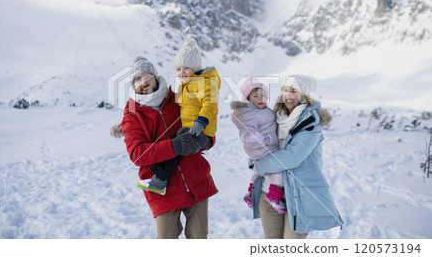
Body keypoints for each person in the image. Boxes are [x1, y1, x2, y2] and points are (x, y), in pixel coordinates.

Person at [119, 56, 218, 239]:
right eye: (137, 79)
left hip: (195, 180)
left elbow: (205, 124)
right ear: (133, 85)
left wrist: (206, 141)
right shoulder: (132, 114)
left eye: (147, 76)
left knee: (199, 237)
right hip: (161, 187)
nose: (143, 82)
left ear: (155, 77)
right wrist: (175, 145)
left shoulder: (178, 98)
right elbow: (138, 154)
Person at [252, 74, 343, 239]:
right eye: (285, 90)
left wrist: (260, 165)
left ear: (304, 96)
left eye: (293, 91)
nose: (288, 95)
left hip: (299, 196)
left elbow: (292, 157)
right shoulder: (274, 118)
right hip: (269, 193)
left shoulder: (310, 124)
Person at [137, 38, 221, 195]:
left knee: (178, 144)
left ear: (195, 68)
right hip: (191, 128)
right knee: (174, 144)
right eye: (178, 69)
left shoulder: (205, 83)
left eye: (186, 68)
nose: (181, 72)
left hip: (201, 130)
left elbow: (210, 104)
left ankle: (159, 181)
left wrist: (201, 122)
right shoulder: (186, 85)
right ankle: (160, 179)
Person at [231, 77, 286, 214]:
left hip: (264, 146)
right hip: (260, 146)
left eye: (263, 95)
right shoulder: (248, 113)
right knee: (279, 169)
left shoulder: (262, 110)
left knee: (259, 170)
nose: (261, 98)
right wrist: (250, 137)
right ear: (248, 99)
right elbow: (246, 128)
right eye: (256, 96)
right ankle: (274, 196)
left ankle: (250, 192)